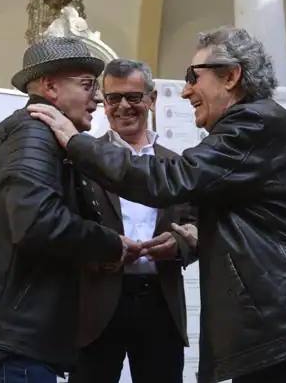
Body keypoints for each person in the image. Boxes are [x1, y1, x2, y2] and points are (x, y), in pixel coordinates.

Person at [28, 27, 286, 383]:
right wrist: (197, 235)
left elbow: (171, 178)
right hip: (282, 329)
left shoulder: (254, 122)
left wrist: (77, 142)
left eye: (192, 77)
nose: (185, 91)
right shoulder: (250, 127)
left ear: (231, 76)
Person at [0, 36, 140, 383]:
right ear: (50, 86)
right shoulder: (32, 135)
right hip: (13, 341)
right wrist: (111, 244)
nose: (96, 98)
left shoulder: (42, 135)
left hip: (16, 339)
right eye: (87, 85)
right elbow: (38, 224)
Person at [69, 59, 197, 383]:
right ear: (104, 102)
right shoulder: (81, 160)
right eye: (114, 98)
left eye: (134, 97)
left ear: (152, 100)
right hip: (96, 303)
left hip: (160, 303)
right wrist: (105, 249)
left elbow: (198, 224)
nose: (124, 106)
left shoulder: (176, 164)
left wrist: (180, 244)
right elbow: (65, 227)